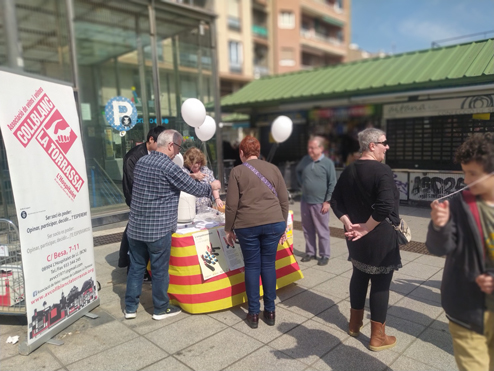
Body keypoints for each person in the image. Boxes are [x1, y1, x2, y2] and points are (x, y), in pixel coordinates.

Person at [124, 129, 221, 320]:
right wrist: (211, 187)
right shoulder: (168, 166)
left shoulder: (142, 161)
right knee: (160, 270)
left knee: (136, 268)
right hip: (158, 230)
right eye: (177, 147)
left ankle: (130, 308)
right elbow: (193, 187)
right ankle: (160, 308)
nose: (178, 152)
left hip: (135, 227)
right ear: (170, 145)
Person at [426, 133, 494, 371]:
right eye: (464, 172)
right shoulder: (457, 204)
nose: (466, 180)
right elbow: (438, 248)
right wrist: (439, 226)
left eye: (473, 174)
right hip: (465, 311)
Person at [330, 128, 401, 351]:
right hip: (378, 237)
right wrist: (366, 228)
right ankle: (377, 338)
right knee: (380, 284)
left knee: (359, 276)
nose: (387, 146)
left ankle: (354, 324)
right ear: (371, 145)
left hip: (355, 237)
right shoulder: (382, 171)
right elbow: (385, 206)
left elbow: (335, 202)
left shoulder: (349, 170)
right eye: (384, 142)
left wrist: (348, 223)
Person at [224, 136, 289, 329]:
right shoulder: (274, 169)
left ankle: (253, 314)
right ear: (258, 152)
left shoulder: (237, 171)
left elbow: (231, 205)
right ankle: (270, 312)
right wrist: (283, 225)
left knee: (252, 267)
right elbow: (284, 200)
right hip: (274, 222)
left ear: (241, 153)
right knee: (268, 265)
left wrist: (228, 228)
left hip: (247, 224)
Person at [118, 126, 167, 273]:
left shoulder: (156, 154)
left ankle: (137, 264)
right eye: (160, 143)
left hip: (151, 200)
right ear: (151, 140)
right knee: (135, 232)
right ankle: (129, 262)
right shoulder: (133, 157)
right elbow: (133, 183)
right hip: (137, 198)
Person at [296, 136, 336, 266]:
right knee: (307, 229)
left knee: (322, 230)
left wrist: (327, 201)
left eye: (312, 148)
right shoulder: (305, 160)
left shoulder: (328, 163)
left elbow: (332, 183)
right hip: (305, 201)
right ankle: (310, 252)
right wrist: (302, 185)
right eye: (309, 147)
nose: (310, 150)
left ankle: (324, 255)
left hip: (320, 203)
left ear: (321, 148)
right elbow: (297, 171)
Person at [182, 147, 224, 212]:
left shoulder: (205, 170)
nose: (197, 165)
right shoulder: (184, 170)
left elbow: (214, 185)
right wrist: (193, 176)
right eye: (194, 163)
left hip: (206, 208)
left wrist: (217, 199)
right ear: (188, 162)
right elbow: (182, 179)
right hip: (190, 209)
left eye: (199, 163)